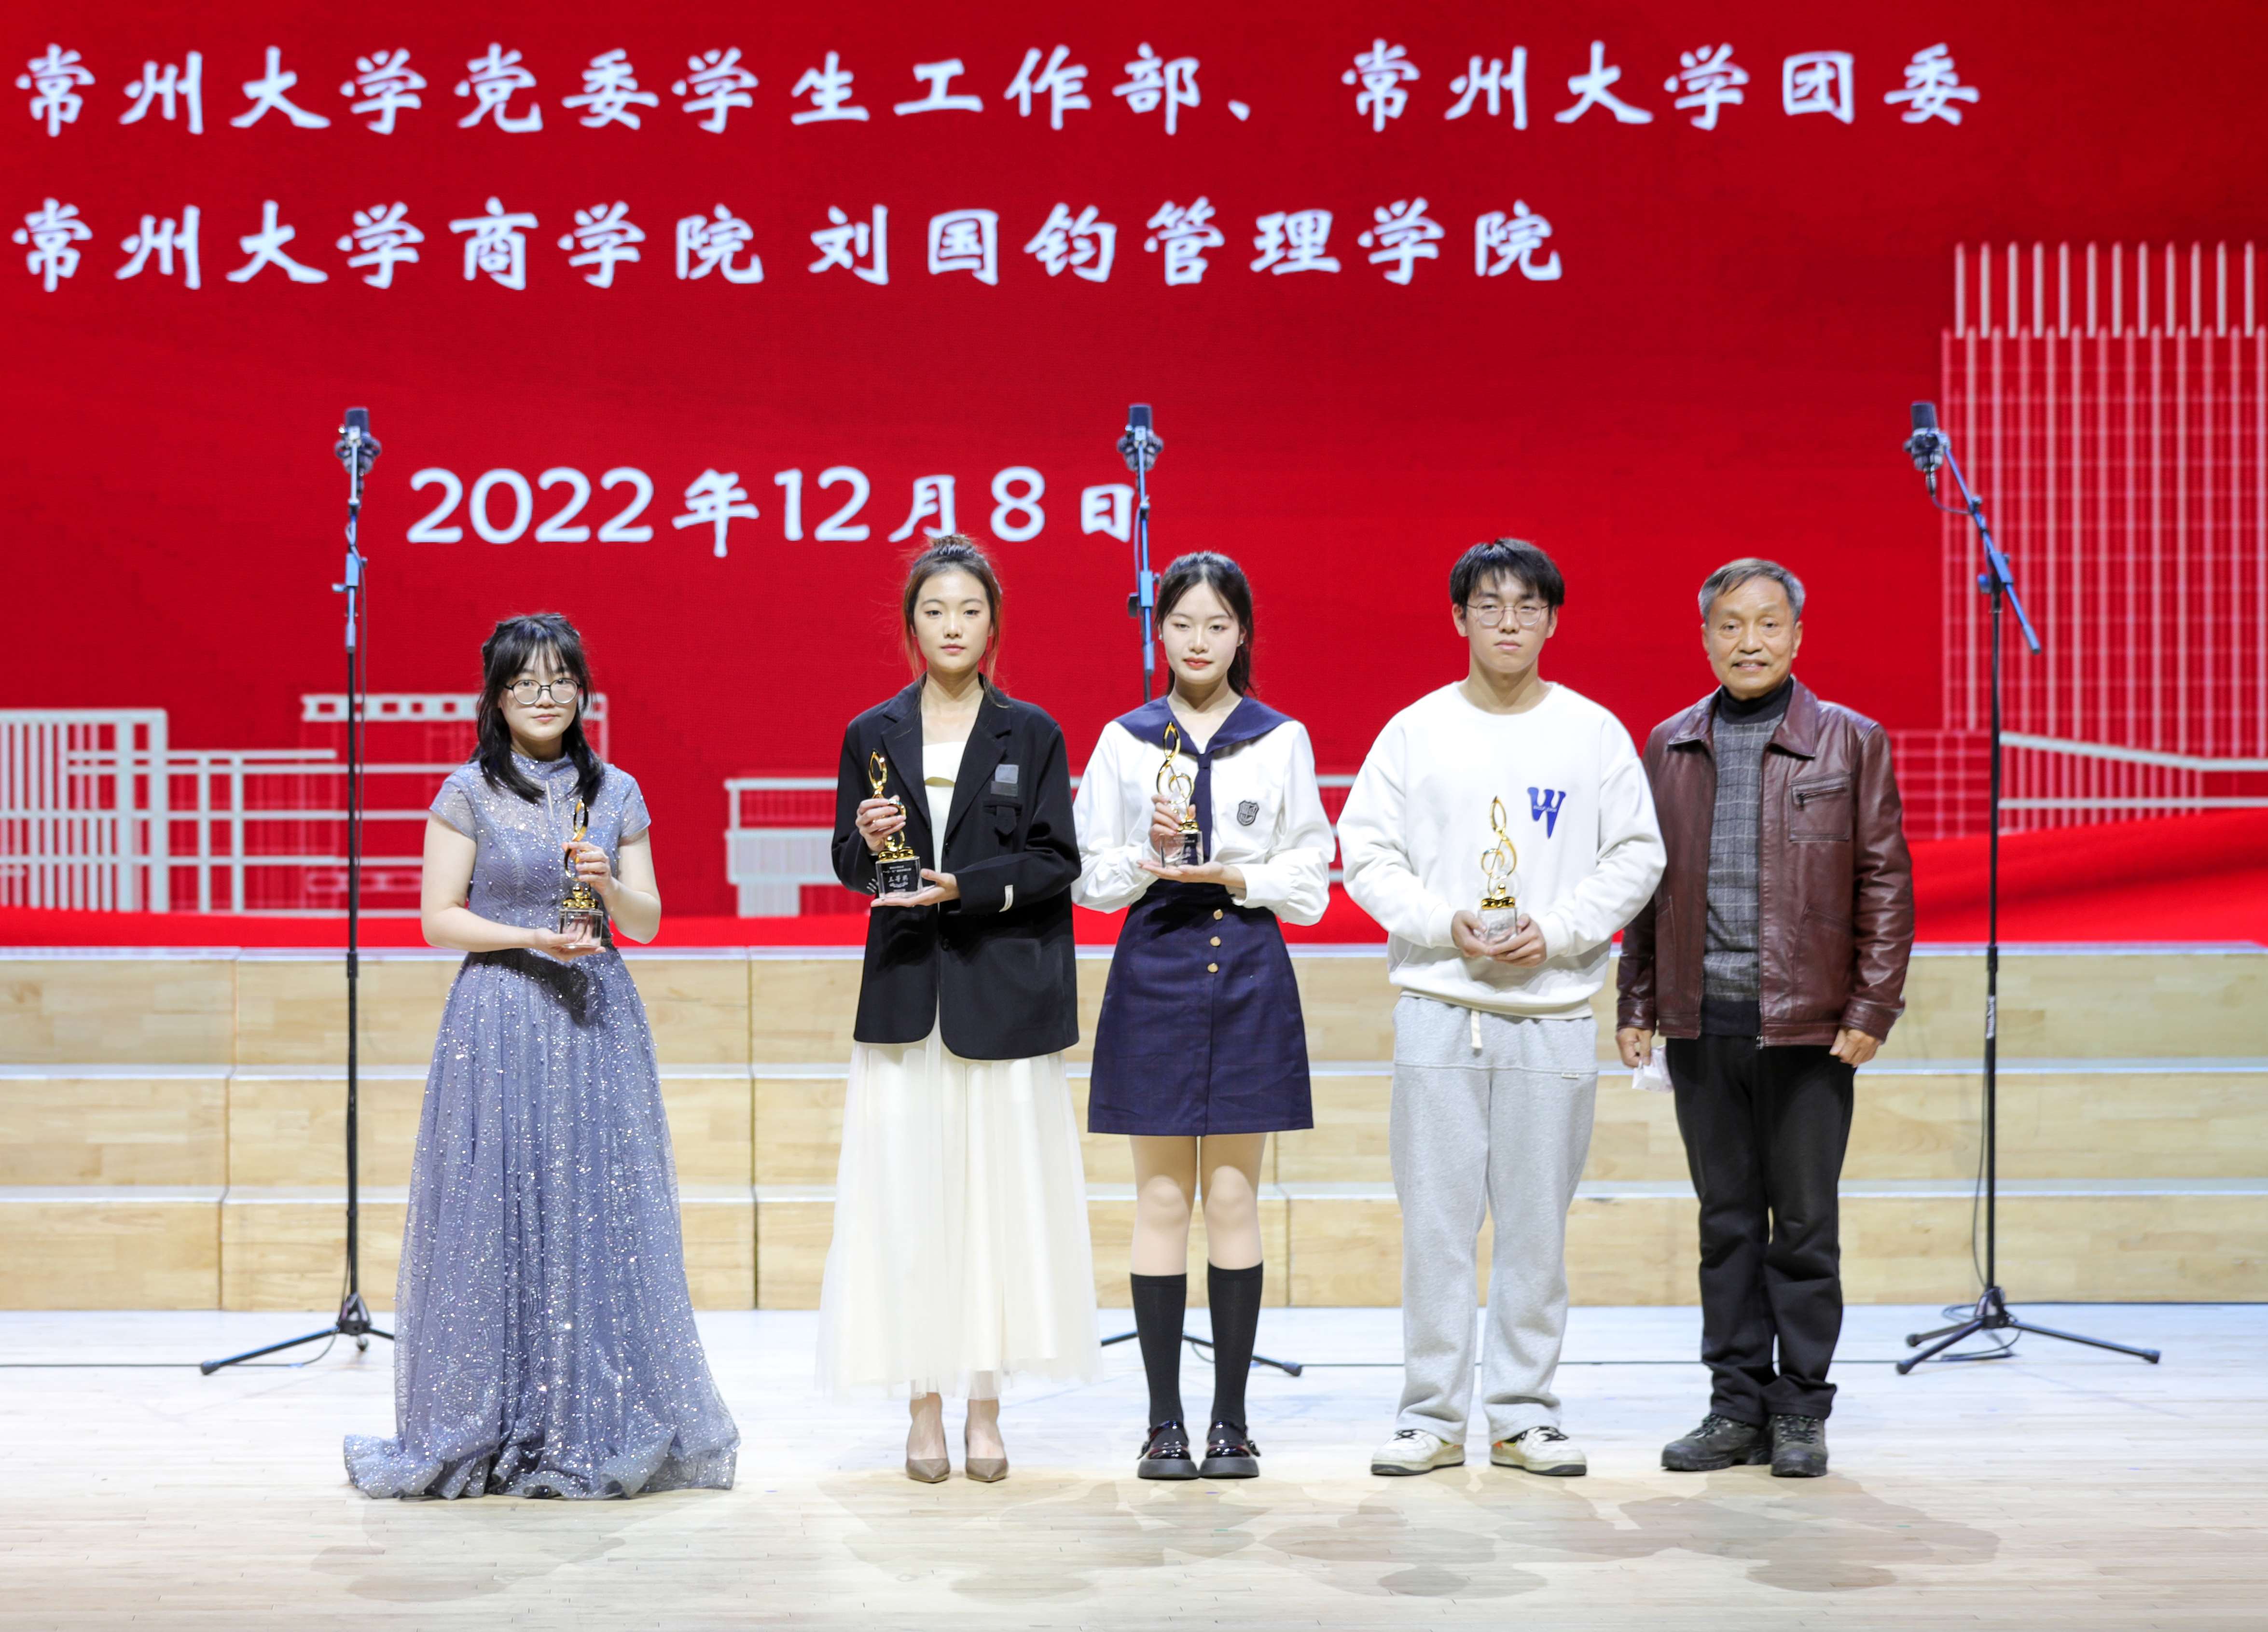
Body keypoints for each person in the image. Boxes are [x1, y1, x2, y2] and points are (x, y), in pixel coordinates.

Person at [345, 613, 738, 1499]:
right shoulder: (467, 791)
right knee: (495, 1210)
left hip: (594, 1017)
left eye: (561, 679)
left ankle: (588, 1415)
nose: (545, 695)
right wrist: (528, 935)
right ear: (496, 696)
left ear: (583, 692)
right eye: (525, 681)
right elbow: (437, 917)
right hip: (499, 1015)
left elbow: (648, 921)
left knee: (598, 1214)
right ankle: (488, 1416)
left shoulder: (617, 791)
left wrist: (608, 885)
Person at [1338, 538, 1664, 1480]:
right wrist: (1441, 921)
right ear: (1460, 618)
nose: (1509, 621)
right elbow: (1366, 853)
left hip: (1551, 1013)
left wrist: (1556, 931)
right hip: (1440, 1007)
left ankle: (1524, 1415)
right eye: (1489, 604)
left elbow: (1636, 855)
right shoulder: (1415, 731)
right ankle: (1430, 1417)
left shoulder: (1591, 733)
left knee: (1535, 1229)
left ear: (1552, 619)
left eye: (1527, 605)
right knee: (1436, 1228)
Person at [1616, 558, 1913, 1479]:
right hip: (1703, 1023)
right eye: (1731, 625)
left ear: (1797, 636)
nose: (1750, 641)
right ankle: (1735, 1405)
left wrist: (1872, 1004)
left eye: (1769, 624)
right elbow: (1645, 884)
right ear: (1706, 637)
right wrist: (1638, 999)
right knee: (1728, 1224)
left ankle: (1800, 1410)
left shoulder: (1851, 741)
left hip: (1811, 1028)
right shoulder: (1670, 744)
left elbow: (1885, 881)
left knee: (1806, 1227)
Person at [818, 536, 1099, 1483]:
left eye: (969, 610)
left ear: (993, 623)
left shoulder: (1033, 732)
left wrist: (964, 888)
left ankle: (984, 1404)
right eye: (935, 610)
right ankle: (922, 1405)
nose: (952, 626)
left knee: (993, 1209)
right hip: (907, 999)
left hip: (999, 998)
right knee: (908, 1206)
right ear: (912, 625)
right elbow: (849, 863)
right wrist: (868, 843)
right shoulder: (872, 731)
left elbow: (1058, 861)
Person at [1073, 552, 1333, 1481]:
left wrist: (1239, 874)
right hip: (1154, 966)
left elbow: (1312, 874)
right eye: (1182, 623)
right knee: (1159, 1199)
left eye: (1216, 624)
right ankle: (1162, 1425)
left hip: (1249, 967)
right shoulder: (1125, 739)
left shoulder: (1281, 738)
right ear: (1160, 631)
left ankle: (1231, 1422)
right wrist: (1143, 854)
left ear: (1241, 633)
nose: (1197, 640)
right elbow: (1089, 877)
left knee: (1231, 1196)